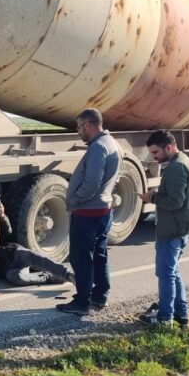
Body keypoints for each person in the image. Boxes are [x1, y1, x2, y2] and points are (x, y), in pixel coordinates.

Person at [57, 108, 119, 316]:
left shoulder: (98, 148)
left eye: (79, 127)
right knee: (99, 256)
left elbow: (92, 183)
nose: (78, 132)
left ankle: (82, 302)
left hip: (88, 212)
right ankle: (100, 296)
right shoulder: (112, 143)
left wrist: (74, 200)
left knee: (82, 258)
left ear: (89, 125)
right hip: (103, 210)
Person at [136, 130, 189, 327]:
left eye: (155, 153)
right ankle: (182, 315)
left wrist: (152, 198)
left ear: (168, 147)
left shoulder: (176, 168)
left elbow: (175, 201)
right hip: (181, 227)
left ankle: (165, 319)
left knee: (165, 274)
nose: (154, 157)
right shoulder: (183, 161)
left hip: (174, 229)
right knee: (172, 272)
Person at [0, 198, 75, 286]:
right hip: (8, 270)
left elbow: (7, 231)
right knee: (17, 278)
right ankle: (49, 277)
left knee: (36, 258)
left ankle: (68, 274)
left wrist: (2, 216)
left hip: (14, 254)